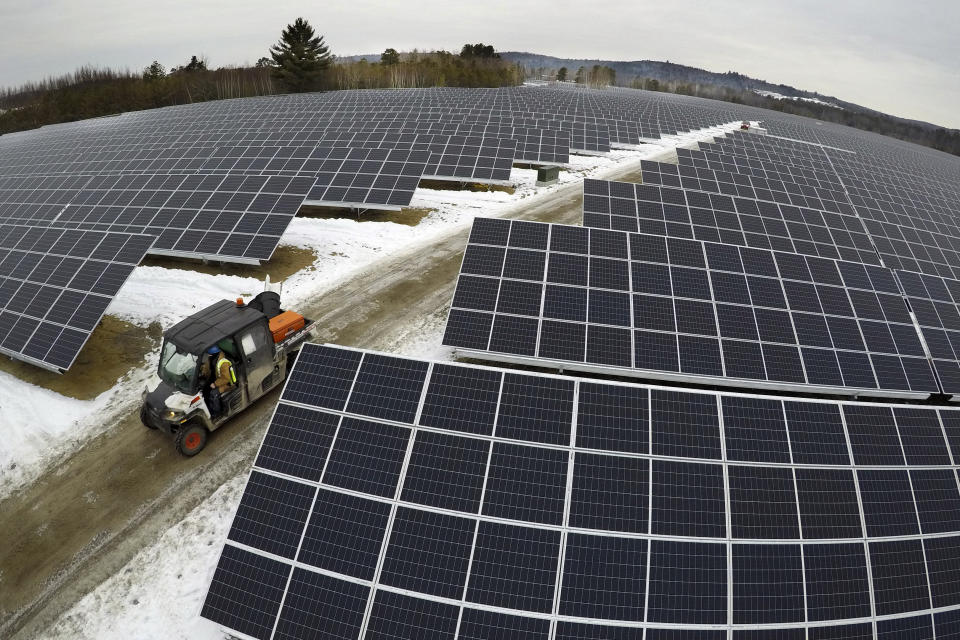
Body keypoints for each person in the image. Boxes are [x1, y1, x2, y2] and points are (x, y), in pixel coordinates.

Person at [207, 345, 237, 417]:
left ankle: (217, 413)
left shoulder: (224, 363)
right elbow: (207, 368)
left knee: (213, 394)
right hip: (220, 381)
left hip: (228, 384)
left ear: (214, 354)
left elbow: (226, 378)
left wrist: (215, 384)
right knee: (206, 389)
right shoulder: (214, 360)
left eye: (209, 354)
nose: (208, 356)